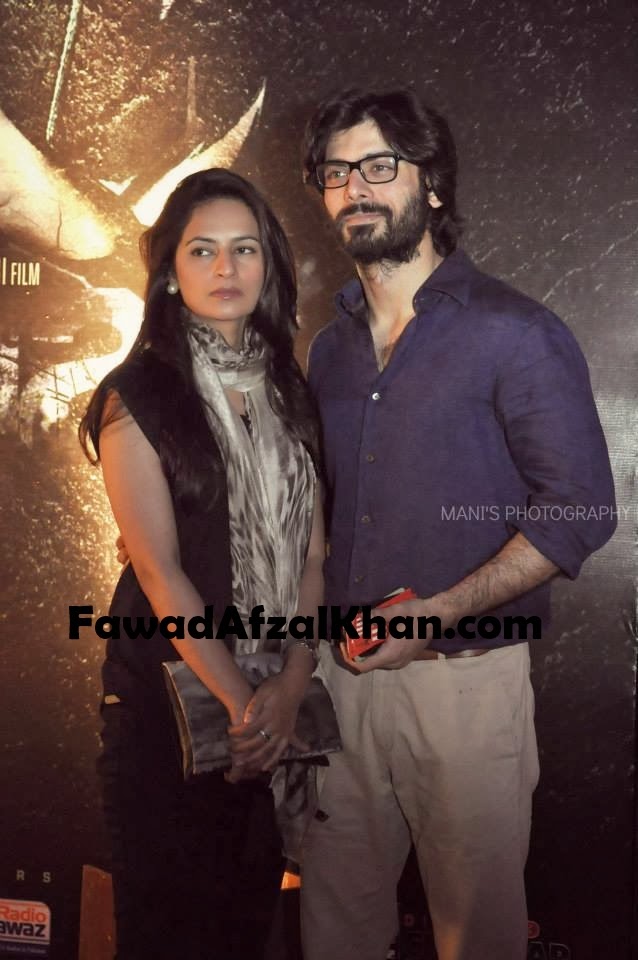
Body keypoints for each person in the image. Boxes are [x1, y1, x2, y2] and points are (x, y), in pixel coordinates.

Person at [299, 88, 616, 960]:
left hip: (466, 688)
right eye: (335, 172)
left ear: (431, 183)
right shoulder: (328, 348)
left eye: (378, 165)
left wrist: (439, 612)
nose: (354, 188)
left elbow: (581, 508)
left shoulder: (516, 333)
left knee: (476, 939)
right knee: (334, 932)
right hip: (340, 682)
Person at [79, 168, 324, 960]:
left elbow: (313, 554)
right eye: (203, 250)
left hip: (271, 711)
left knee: (242, 932)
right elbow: (158, 571)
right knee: (166, 937)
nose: (226, 268)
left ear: (268, 265)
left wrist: (291, 683)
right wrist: (247, 706)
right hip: (168, 711)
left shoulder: (290, 391)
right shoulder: (139, 395)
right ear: (169, 272)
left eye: (244, 249)